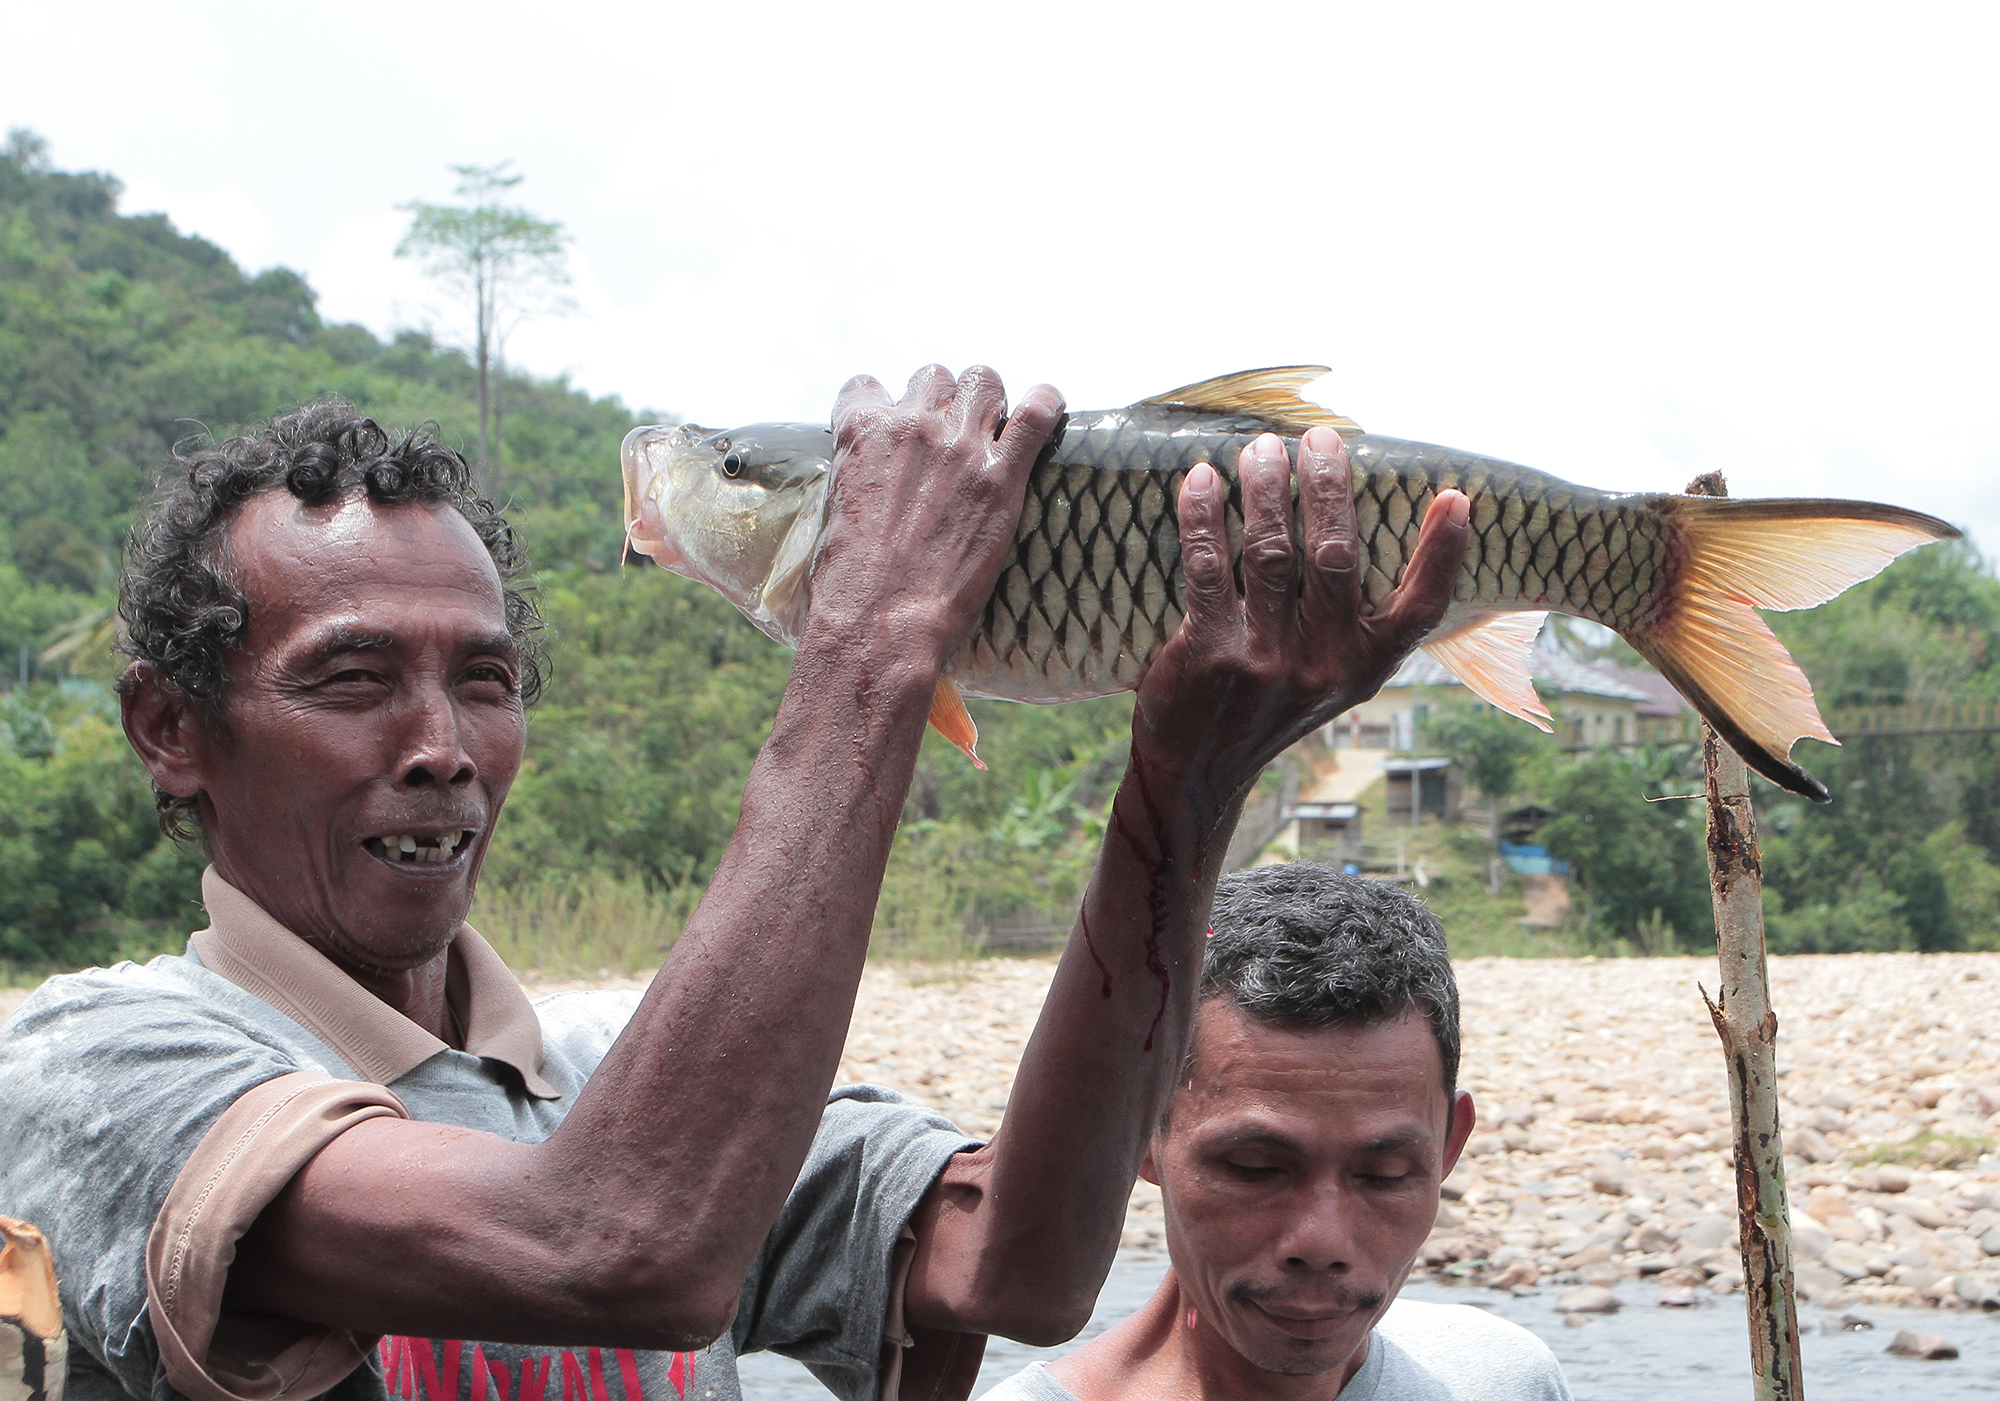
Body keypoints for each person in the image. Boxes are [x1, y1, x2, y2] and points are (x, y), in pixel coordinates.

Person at [0, 368, 1469, 1401]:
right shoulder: (93, 1075)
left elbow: (1023, 1266)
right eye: (351, 681)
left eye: (489, 681)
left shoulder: (623, 1081)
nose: (443, 748)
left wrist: (1186, 782)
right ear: (171, 728)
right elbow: (607, 1248)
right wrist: (877, 640)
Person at [983, 864, 1572, 1401]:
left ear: (1448, 1146)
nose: (1321, 1243)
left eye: (1384, 1175)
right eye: (1254, 1168)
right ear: (1141, 1133)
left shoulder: (1501, 1378)